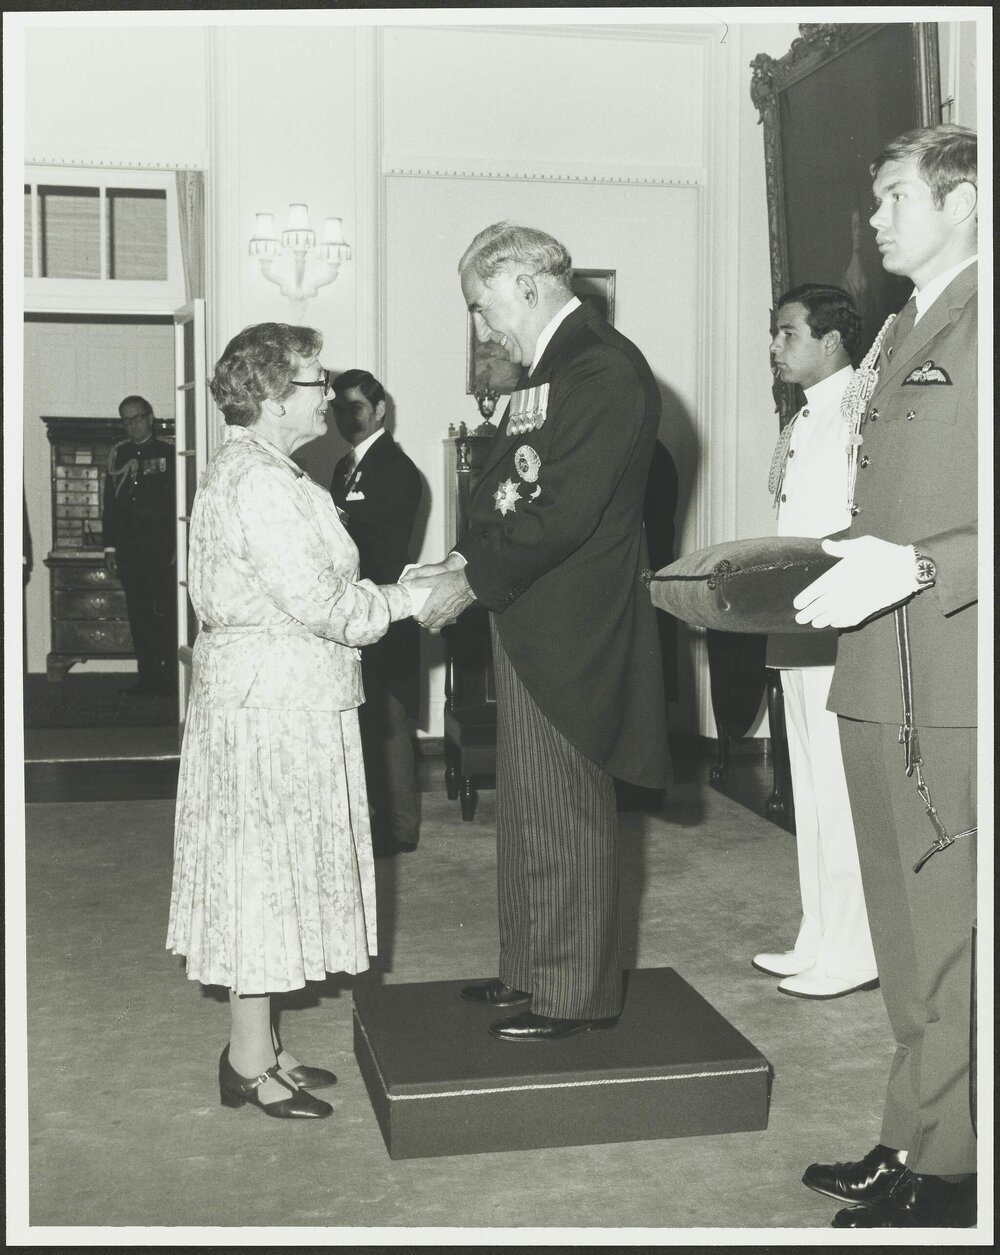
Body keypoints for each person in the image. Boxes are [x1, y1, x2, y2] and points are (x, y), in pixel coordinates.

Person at [403, 222, 669, 1042]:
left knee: (566, 812)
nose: (483, 328)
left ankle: (572, 993)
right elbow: (506, 491)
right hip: (531, 616)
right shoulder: (554, 369)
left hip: (573, 626)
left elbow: (564, 512)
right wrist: (456, 554)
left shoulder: (600, 367)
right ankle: (529, 966)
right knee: (527, 809)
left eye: (483, 308)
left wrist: (470, 584)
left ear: (522, 283)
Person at [793, 125, 978, 1227]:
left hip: (954, 674)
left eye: (894, 196)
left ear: (964, 200)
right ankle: (911, 1131)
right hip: (877, 666)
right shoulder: (904, 324)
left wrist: (921, 563)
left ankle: (953, 1172)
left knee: (953, 934)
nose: (873, 218)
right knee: (903, 937)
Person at [166, 323, 419, 1120]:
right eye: (316, 380)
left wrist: (400, 582)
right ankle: (247, 1058)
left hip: (278, 697)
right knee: (263, 876)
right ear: (275, 398)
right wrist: (414, 599)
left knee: (272, 870)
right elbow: (326, 606)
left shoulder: (263, 468)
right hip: (271, 706)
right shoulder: (264, 484)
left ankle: (264, 1044)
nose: (331, 392)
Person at [753, 284, 879, 1000]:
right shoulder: (803, 418)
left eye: (788, 333)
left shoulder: (860, 409)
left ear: (831, 339)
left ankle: (856, 949)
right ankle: (819, 934)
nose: (776, 346)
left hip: (836, 617)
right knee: (808, 785)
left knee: (839, 791)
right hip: (795, 617)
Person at [330, 369, 423, 857]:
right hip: (354, 613)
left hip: (382, 614)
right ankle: (374, 821)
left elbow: (380, 550)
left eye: (357, 409)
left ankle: (400, 829)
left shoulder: (395, 468)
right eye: (338, 409)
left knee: (388, 725)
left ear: (380, 409)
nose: (347, 418)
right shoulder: (345, 466)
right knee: (367, 723)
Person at [103, 395, 176, 696]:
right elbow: (111, 505)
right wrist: (110, 548)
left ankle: (170, 678)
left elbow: (176, 504)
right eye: (126, 420)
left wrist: (176, 547)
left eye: (137, 418)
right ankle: (148, 678)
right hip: (130, 551)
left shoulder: (168, 454)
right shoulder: (117, 455)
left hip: (161, 550)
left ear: (149, 418)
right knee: (140, 616)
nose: (132, 425)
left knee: (165, 616)